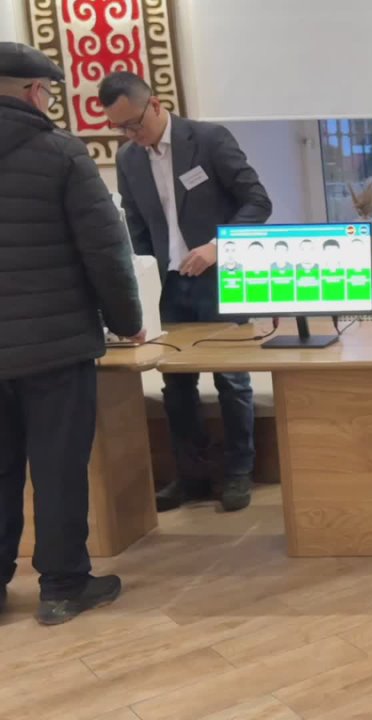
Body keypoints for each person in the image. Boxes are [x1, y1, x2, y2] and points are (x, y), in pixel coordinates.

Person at [0, 42, 143, 625]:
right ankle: (62, 586)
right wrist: (128, 321)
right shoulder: (61, 153)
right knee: (58, 469)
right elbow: (106, 250)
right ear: (35, 92)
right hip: (54, 349)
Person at [100, 71, 272, 513]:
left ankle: (238, 472)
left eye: (134, 124)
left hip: (221, 279)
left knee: (231, 380)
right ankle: (191, 475)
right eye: (120, 129)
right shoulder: (129, 159)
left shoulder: (209, 140)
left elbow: (258, 201)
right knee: (175, 385)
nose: (131, 135)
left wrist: (217, 246)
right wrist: (140, 283)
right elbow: (136, 226)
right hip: (168, 286)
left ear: (156, 105)